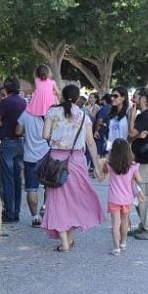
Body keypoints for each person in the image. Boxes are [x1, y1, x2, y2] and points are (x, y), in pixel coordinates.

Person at [42, 84, 105, 252]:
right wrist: (97, 166)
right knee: (74, 200)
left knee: (57, 200)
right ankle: (69, 239)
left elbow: (45, 135)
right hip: (77, 160)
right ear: (78, 99)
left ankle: (64, 242)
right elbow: (91, 142)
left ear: (62, 96)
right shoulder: (84, 116)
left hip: (56, 160)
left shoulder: (53, 112)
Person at [128, 87, 148, 240]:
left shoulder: (147, 116)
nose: (133, 99)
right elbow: (134, 137)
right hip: (141, 159)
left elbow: (131, 134)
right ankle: (145, 225)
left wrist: (132, 117)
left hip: (146, 160)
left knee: (146, 194)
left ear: (142, 98)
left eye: (135, 96)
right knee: (140, 193)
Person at [101, 138, 143, 255]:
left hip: (114, 199)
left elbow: (102, 174)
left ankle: (116, 248)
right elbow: (140, 179)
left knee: (115, 224)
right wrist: (133, 178)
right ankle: (123, 243)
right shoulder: (133, 166)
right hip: (126, 199)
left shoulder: (110, 165)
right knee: (125, 222)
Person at [0, 76, 26, 223]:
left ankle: (10, 212)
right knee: (18, 178)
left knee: (7, 179)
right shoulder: (24, 102)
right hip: (20, 142)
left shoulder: (5, 102)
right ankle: (17, 211)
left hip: (7, 141)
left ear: (6, 88)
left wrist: (1, 124)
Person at [16, 107, 47, 227]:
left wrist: (28, 131)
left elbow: (18, 131)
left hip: (30, 156)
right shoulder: (51, 112)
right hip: (47, 156)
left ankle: (35, 217)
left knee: (31, 188)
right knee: (49, 186)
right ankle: (45, 207)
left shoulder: (25, 114)